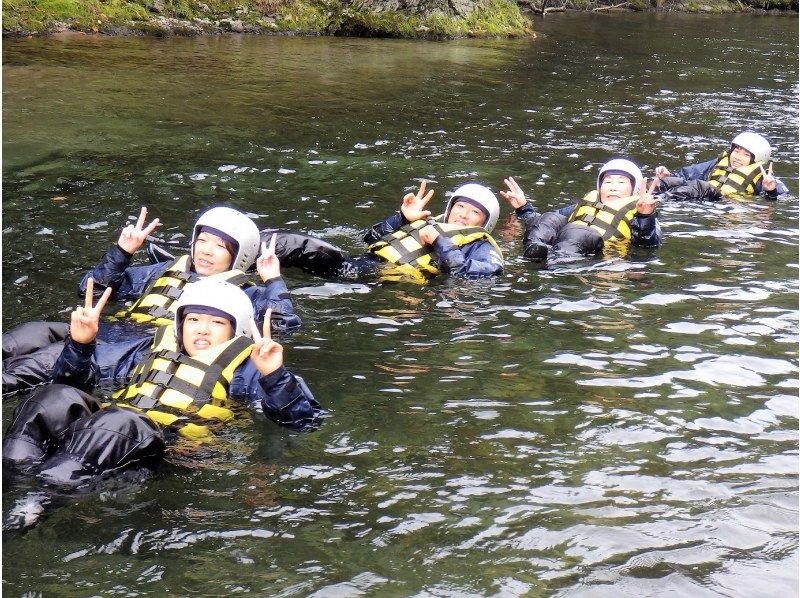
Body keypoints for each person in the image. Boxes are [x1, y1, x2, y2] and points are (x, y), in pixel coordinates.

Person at [2, 278, 323, 490]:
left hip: (170, 447)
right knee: (53, 398)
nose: (202, 330)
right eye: (194, 319)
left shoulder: (248, 370)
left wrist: (274, 375)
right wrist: (80, 345)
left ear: (234, 330)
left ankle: (41, 498)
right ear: (180, 324)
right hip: (109, 433)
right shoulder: (147, 352)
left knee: (120, 422)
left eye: (216, 322)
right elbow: (71, 383)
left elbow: (303, 421)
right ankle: (14, 478)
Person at [2, 206, 299, 395]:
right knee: (29, 334)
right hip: (104, 327)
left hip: (137, 347)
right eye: (202, 241)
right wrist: (123, 252)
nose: (206, 251)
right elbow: (91, 288)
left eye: (219, 246)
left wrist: (272, 279)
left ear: (240, 255)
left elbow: (283, 326)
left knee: (37, 364)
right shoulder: (162, 271)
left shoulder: (244, 296)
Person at [258, 182, 504, 283]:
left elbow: (468, 275)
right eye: (460, 206)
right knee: (301, 248)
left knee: (300, 246)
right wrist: (401, 218)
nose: (462, 214)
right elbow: (370, 238)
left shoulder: (483, 248)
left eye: (474, 212)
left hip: (379, 276)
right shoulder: (428, 222)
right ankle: (245, 252)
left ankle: (243, 251)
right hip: (363, 263)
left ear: (485, 222)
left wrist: (440, 243)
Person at [502, 158, 661, 262]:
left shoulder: (641, 213)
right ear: (600, 187)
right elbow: (544, 222)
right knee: (550, 217)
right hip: (566, 242)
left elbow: (647, 247)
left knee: (579, 231)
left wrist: (645, 216)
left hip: (594, 253)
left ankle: (556, 261)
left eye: (621, 182)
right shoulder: (586, 203)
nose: (613, 187)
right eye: (608, 182)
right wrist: (524, 208)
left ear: (634, 188)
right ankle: (534, 249)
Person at [654, 132, 789, 199]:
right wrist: (669, 175)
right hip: (704, 195)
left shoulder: (764, 178)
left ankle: (662, 199)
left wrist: (770, 191)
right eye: (736, 151)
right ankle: (650, 193)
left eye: (745, 155)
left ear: (755, 160)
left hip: (724, 202)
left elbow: (782, 196)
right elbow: (689, 173)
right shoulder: (719, 163)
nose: (737, 157)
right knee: (673, 181)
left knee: (700, 186)